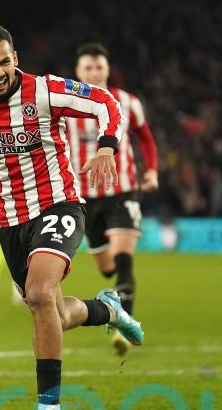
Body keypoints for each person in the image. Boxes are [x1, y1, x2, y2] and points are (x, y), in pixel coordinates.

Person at [0, 24, 144, 410]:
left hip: (57, 204)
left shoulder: (45, 90)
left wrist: (107, 146)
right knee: (54, 314)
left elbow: (106, 102)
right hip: (9, 219)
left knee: (40, 294)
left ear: (16, 58)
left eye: (5, 61)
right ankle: (107, 309)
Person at [66, 42, 159, 356]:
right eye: (88, 68)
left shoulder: (127, 102)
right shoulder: (65, 104)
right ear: (78, 72)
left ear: (107, 70)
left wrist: (152, 171)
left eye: (99, 67)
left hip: (123, 191)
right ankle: (115, 305)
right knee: (106, 268)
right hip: (84, 198)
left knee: (122, 260)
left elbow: (145, 137)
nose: (94, 72)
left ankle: (124, 325)